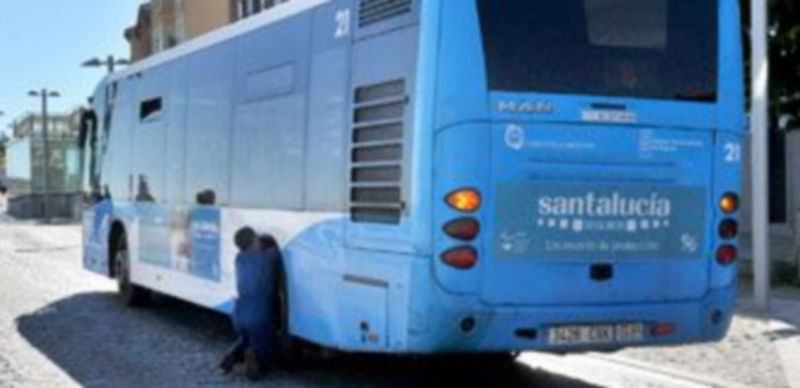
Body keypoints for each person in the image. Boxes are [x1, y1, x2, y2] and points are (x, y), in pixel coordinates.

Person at [219, 228, 280, 380]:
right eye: (257, 239)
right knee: (264, 343)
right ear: (253, 243)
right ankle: (255, 358)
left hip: (239, 311)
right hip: (259, 311)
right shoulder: (267, 257)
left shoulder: (239, 257)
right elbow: (277, 252)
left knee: (246, 338)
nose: (260, 240)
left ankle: (232, 355)